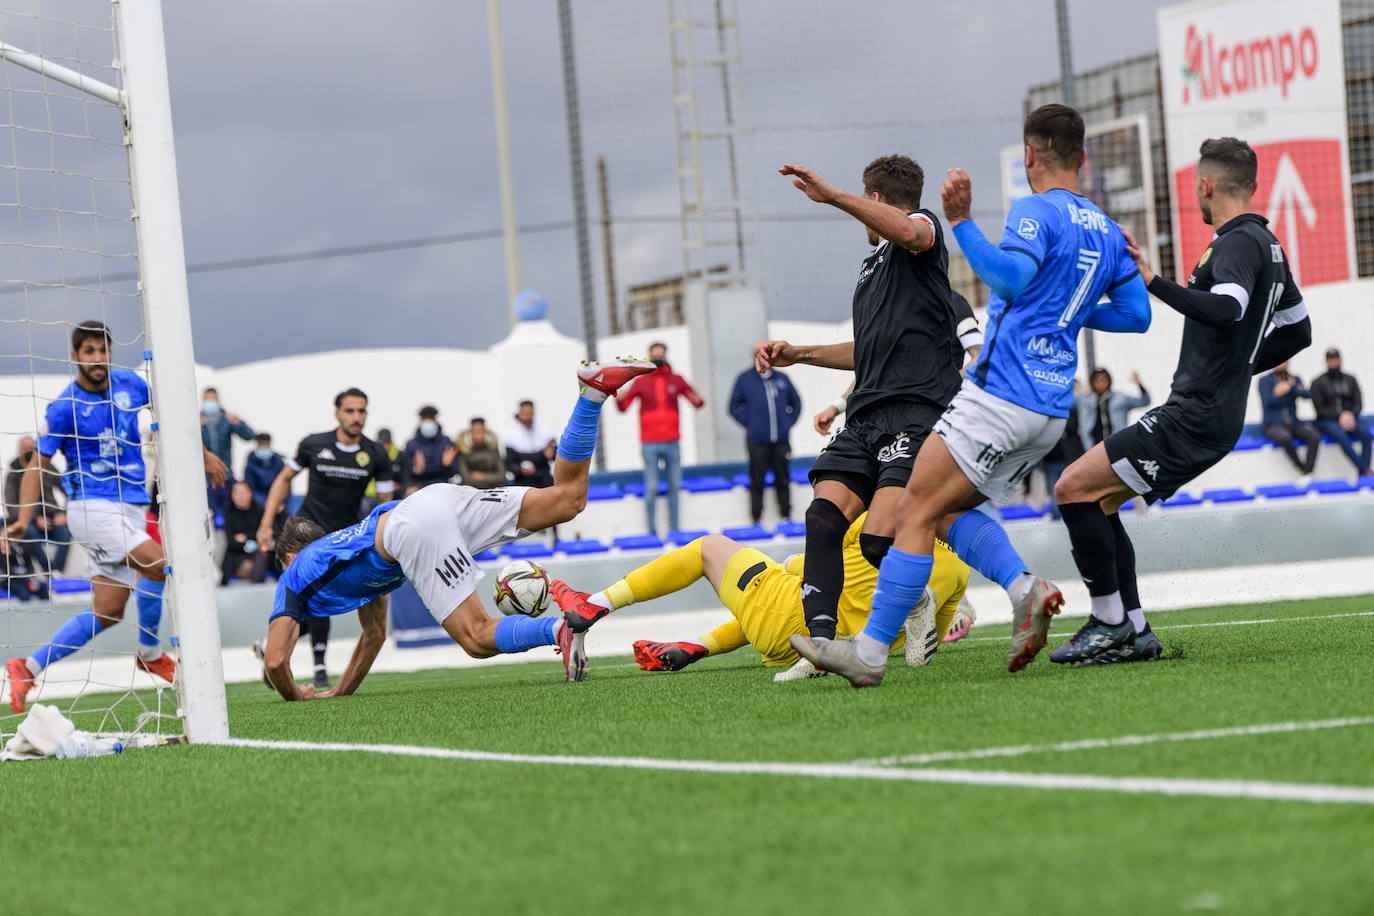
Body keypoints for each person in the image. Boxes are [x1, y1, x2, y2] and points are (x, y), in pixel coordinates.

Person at [790, 104, 1152, 686]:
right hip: (1052, 408)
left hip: (1002, 393)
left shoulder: (1034, 210)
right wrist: (1071, 307)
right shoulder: (1109, 231)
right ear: (1082, 156)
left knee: (911, 511)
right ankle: (1021, 588)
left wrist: (961, 221)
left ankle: (874, 652)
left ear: (1030, 155)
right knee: (942, 510)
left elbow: (1006, 278)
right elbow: (1137, 316)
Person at [1049, 136, 1312, 666]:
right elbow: (1298, 331)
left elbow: (1227, 308)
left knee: (1071, 488)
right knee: (1099, 501)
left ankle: (1108, 621)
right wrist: (1237, 371)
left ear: (1206, 184)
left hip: (1196, 414)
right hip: (1210, 411)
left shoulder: (1235, 242)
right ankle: (1136, 630)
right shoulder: (1268, 244)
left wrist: (1152, 281)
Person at [260, 358, 655, 699]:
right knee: (567, 499)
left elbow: (276, 660)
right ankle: (591, 395)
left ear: (290, 557)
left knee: (476, 637)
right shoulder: (343, 557)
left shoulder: (297, 570)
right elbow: (374, 635)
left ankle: (560, 629)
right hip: (435, 501)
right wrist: (341, 690)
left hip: (413, 525)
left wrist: (298, 694)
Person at [753, 154, 978, 646]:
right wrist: (800, 354)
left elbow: (914, 232)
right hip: (865, 417)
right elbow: (867, 349)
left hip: (915, 414)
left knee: (878, 540)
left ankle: (923, 596)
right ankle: (818, 646)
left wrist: (833, 196)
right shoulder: (870, 270)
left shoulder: (922, 233)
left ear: (874, 199)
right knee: (822, 517)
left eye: (863, 199)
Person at [6, 321, 226, 713]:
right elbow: (35, 466)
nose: (97, 359)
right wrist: (23, 519)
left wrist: (204, 453)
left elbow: (171, 413)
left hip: (130, 508)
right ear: (75, 357)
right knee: (163, 567)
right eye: (88, 352)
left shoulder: (131, 385)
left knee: (107, 612)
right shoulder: (63, 408)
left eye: (103, 350)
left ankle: (28, 666)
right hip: (91, 510)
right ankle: (150, 652)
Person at [548, 512, 968, 681]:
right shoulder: (960, 571)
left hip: (785, 618)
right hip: (816, 650)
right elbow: (926, 636)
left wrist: (793, 563)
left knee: (708, 548)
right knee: (785, 598)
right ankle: (697, 648)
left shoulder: (876, 518)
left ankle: (597, 602)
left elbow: (806, 572)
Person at [255, 387, 397, 690]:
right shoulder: (313, 445)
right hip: (305, 532)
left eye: (362, 411)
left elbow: (386, 501)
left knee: (323, 599)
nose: (356, 417)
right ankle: (317, 665)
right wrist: (266, 523)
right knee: (313, 593)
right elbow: (283, 479)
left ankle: (273, 646)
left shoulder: (376, 454)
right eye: (350, 411)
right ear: (337, 413)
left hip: (345, 537)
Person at [616, 342, 705, 535]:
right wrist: (619, 398)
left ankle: (674, 529)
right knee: (651, 487)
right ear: (649, 357)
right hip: (650, 442)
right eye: (654, 355)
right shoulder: (640, 381)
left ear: (666, 356)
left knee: (674, 486)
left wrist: (698, 399)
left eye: (660, 355)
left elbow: (696, 401)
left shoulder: (676, 379)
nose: (657, 358)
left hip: (672, 441)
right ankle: (652, 531)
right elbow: (624, 407)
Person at [728, 360, 801, 524]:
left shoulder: (782, 378)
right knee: (757, 480)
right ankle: (756, 518)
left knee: (783, 478)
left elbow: (796, 402)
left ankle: (786, 516)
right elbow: (733, 407)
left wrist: (787, 423)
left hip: (781, 441)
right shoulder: (744, 379)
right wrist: (751, 423)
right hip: (757, 441)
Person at [4, 435, 71, 574]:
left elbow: (68, 491)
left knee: (66, 531)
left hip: (52, 517)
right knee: (29, 533)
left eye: (32, 448)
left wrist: (65, 513)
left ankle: (56, 571)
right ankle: (48, 571)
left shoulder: (50, 468)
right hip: (27, 521)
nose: (29, 451)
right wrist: (33, 519)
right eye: (25, 449)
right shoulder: (13, 475)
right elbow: (11, 506)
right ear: (19, 451)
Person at [1310, 348, 1371, 478]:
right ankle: (1364, 469)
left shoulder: (1350, 379)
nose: (1334, 362)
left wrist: (1350, 415)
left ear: (1340, 360)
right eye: (1331, 359)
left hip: (1351, 418)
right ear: (1326, 362)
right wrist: (1340, 416)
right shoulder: (1318, 382)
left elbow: (1358, 403)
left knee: (1366, 434)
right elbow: (1319, 409)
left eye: (1336, 359)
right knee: (1340, 435)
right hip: (1327, 421)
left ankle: (1363, 472)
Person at [1258, 361, 1321, 475]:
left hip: (1294, 423)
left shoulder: (1294, 379)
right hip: (1273, 425)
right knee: (1284, 437)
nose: (1282, 363)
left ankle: (1308, 470)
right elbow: (1268, 402)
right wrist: (1289, 396)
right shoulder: (1265, 381)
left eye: (1285, 360)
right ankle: (1301, 467)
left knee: (1315, 436)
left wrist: (1290, 389)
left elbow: (1307, 394)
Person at [200, 387, 255, 516]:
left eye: (213, 399)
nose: (210, 402)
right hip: (205, 479)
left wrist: (239, 423)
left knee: (229, 514)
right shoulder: (197, 421)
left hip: (226, 475)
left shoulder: (226, 420)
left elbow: (250, 436)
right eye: (207, 399)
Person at [1040, 381, 1086, 521]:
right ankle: (1058, 523)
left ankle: (1076, 521)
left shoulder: (1072, 411)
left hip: (1070, 460)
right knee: (1055, 496)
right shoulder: (1045, 413)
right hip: (1052, 461)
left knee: (1074, 493)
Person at [1076, 368, 1150, 450]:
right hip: (1091, 447)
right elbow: (1064, 405)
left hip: (1116, 446)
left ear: (1109, 381)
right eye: (1096, 380)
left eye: (1104, 379)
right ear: (1092, 382)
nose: (1100, 383)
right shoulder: (1084, 400)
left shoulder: (1120, 398)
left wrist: (1139, 384)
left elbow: (1144, 401)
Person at [401, 406, 458, 495]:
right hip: (420, 486)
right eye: (425, 419)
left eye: (431, 419)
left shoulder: (446, 442)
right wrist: (417, 469)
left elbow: (454, 473)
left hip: (443, 485)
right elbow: (406, 474)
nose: (428, 423)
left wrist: (447, 466)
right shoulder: (411, 444)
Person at [221, 481, 268, 585]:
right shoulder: (228, 513)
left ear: (250, 493)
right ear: (232, 496)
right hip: (235, 555)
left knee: (262, 555)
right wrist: (250, 540)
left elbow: (263, 535)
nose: (241, 496)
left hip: (258, 552)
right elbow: (231, 541)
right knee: (246, 566)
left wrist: (245, 537)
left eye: (243, 492)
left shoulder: (260, 511)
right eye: (237, 493)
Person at [504, 400, 556, 489]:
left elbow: (554, 456)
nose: (528, 417)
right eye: (525, 413)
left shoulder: (546, 432)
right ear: (519, 414)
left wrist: (551, 454)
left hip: (543, 479)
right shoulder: (510, 436)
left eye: (530, 413)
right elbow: (510, 463)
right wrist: (520, 470)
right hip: (522, 481)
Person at [456, 417, 504, 489]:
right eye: (474, 432)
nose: (477, 435)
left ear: (485, 432)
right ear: (470, 433)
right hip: (471, 491)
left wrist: (483, 476)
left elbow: (501, 476)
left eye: (480, 431)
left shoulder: (493, 449)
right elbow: (465, 478)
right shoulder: (463, 451)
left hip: (493, 490)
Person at [243, 432, 285, 506]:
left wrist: (279, 501)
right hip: (258, 505)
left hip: (278, 502)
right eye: (262, 445)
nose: (264, 448)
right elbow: (250, 487)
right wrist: (263, 502)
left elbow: (285, 484)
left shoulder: (278, 462)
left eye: (266, 445)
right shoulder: (251, 465)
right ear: (257, 445)